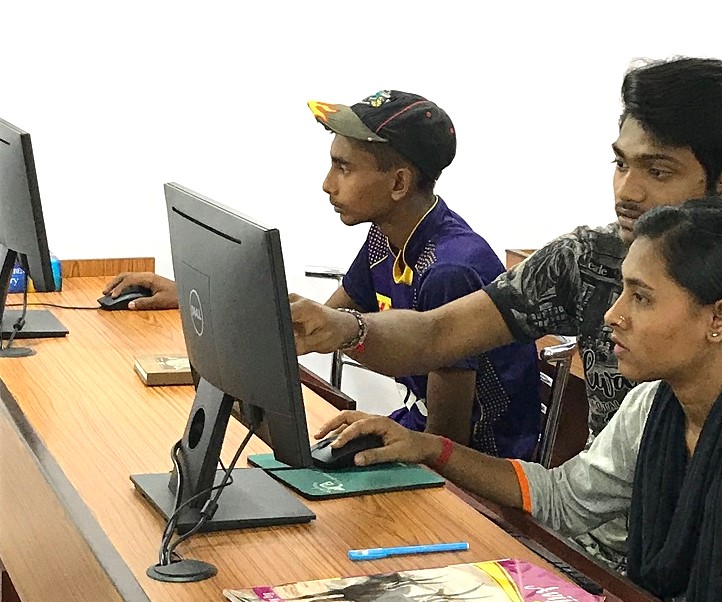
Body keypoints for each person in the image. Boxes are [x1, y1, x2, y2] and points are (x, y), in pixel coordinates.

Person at [288, 57, 722, 572]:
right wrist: (342, 329)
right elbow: (439, 331)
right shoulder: (587, 260)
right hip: (594, 553)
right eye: (621, 164)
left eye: (657, 171)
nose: (627, 191)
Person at [312, 198, 722, 602]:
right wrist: (433, 449)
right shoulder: (653, 407)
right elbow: (564, 500)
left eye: (641, 298)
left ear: (720, 320)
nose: (614, 316)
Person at [102, 90, 541, 459]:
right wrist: (198, 295)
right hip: (414, 429)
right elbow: (315, 325)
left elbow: (447, 443)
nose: (327, 183)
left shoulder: (449, 270)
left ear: (399, 184)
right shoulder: (385, 238)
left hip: (477, 474)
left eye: (344, 167)